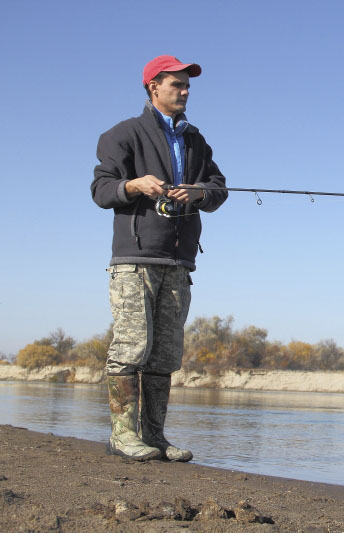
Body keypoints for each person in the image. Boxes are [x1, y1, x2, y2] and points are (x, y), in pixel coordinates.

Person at [91, 55, 227, 461]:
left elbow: (218, 188)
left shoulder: (196, 140)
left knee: (164, 356)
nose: (184, 92)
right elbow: (101, 190)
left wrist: (199, 193)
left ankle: (155, 437)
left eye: (187, 86)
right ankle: (122, 436)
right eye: (176, 85)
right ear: (153, 87)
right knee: (131, 348)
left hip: (180, 263)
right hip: (134, 260)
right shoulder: (122, 134)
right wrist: (133, 185)